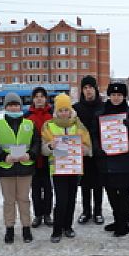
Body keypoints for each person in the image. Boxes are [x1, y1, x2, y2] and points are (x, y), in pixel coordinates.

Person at [0, 92, 40, 244]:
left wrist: (31, 155)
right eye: (10, 105)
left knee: (24, 199)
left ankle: (26, 228)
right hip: (6, 168)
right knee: (9, 201)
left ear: (20, 107)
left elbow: (36, 142)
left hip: (25, 168)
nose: (14, 108)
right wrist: (3, 156)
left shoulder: (29, 124)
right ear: (6, 107)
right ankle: (9, 228)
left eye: (16, 105)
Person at [92, 83, 129, 237]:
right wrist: (96, 149)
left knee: (124, 191)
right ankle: (117, 219)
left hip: (124, 160)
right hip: (106, 160)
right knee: (110, 191)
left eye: (119, 95)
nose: (116, 98)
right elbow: (94, 134)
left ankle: (124, 222)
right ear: (109, 95)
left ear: (124, 96)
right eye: (113, 95)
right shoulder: (100, 113)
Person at [41, 93, 92, 243]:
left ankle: (68, 227)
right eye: (61, 110)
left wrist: (84, 149)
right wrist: (50, 146)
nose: (64, 113)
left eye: (66, 110)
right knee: (61, 200)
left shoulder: (78, 125)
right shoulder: (48, 126)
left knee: (71, 199)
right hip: (57, 170)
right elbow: (43, 150)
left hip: (74, 169)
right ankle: (57, 229)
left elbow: (89, 147)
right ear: (56, 112)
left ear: (71, 110)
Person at [73, 76, 105, 225]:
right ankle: (86, 211)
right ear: (82, 90)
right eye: (85, 88)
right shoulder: (76, 108)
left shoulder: (103, 107)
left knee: (99, 183)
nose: (88, 90)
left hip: (99, 152)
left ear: (95, 89)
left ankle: (98, 211)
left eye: (91, 87)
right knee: (85, 184)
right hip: (82, 152)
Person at [25, 87, 53, 228]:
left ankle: (47, 214)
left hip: (50, 158)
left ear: (46, 98)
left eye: (42, 96)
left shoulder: (53, 115)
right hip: (33, 158)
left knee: (48, 188)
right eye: (36, 96)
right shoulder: (27, 116)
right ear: (33, 99)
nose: (39, 99)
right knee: (35, 188)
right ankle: (37, 215)